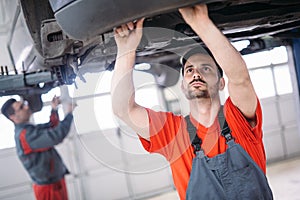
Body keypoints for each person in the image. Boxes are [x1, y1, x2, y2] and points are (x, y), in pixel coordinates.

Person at [111, 3, 273, 200]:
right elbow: (123, 109)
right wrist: (126, 51)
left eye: (206, 68)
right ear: (183, 86)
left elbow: (240, 78)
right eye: (189, 70)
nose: (196, 73)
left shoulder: (238, 118)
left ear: (221, 83)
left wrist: (202, 24)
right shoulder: (173, 132)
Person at [1, 95, 76, 200]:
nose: (27, 107)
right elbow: (56, 136)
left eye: (24, 104)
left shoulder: (28, 129)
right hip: (48, 189)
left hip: (55, 182)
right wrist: (69, 114)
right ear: (13, 117)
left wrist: (54, 109)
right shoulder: (25, 135)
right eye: (21, 107)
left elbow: (51, 127)